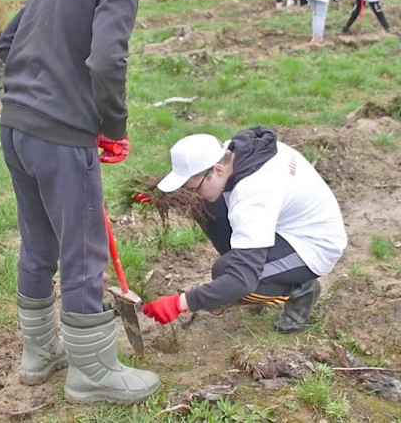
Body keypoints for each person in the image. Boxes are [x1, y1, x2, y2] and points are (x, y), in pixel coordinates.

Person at [0, 0, 180, 404]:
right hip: (59, 137)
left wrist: (19, 94)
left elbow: (6, 41)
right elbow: (106, 61)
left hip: (16, 127)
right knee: (82, 251)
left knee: (39, 243)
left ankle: (39, 355)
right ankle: (93, 374)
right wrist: (113, 128)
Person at [143, 127, 347, 334]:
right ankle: (251, 270)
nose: (192, 194)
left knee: (229, 274)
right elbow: (204, 186)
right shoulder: (238, 152)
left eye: (192, 188)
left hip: (313, 246)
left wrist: (182, 302)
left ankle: (300, 288)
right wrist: (163, 196)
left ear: (217, 170)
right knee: (204, 205)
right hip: (286, 223)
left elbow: (241, 280)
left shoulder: (252, 194)